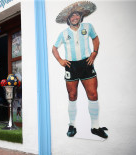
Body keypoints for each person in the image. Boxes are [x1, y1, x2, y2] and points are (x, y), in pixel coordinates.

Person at [52, 1, 108, 139]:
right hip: (71, 66)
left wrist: (94, 53)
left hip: (86, 64)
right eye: (72, 16)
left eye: (77, 14)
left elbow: (95, 39)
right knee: (72, 96)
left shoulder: (88, 27)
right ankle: (72, 125)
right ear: (68, 19)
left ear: (81, 16)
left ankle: (95, 127)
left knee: (93, 95)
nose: (74, 17)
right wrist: (60, 60)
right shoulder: (63, 33)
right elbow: (54, 48)